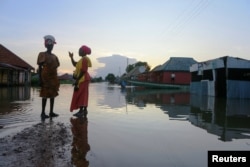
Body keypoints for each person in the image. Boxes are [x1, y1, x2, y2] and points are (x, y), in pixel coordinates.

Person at [37, 35, 60, 119]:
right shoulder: (42, 54)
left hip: (53, 78)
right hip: (45, 78)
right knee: (45, 95)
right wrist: (40, 79)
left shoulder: (55, 57)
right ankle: (43, 112)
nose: (51, 46)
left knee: (52, 95)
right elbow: (39, 67)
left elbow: (56, 68)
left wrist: (57, 80)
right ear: (46, 45)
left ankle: (51, 112)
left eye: (52, 45)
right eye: (49, 45)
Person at [69, 45, 92, 117]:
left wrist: (77, 80)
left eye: (80, 50)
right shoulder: (81, 60)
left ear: (83, 51)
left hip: (83, 79)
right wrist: (71, 57)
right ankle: (84, 111)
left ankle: (82, 111)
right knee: (83, 94)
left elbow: (83, 71)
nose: (78, 51)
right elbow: (74, 64)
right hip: (83, 79)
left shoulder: (85, 59)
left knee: (81, 94)